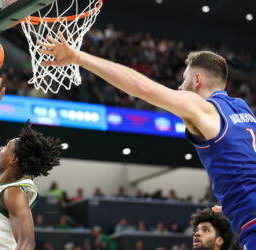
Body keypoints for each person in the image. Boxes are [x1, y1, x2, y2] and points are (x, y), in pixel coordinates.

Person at [39, 32, 256, 249]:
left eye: (184, 80)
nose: (180, 88)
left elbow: (142, 88)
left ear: (197, 80)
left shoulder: (202, 107)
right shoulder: (243, 109)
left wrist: (78, 57)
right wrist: (233, 203)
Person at [0, 76, 62, 250]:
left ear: (13, 160)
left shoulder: (14, 194)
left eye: (6, 147)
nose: (1, 148)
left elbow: (26, 243)